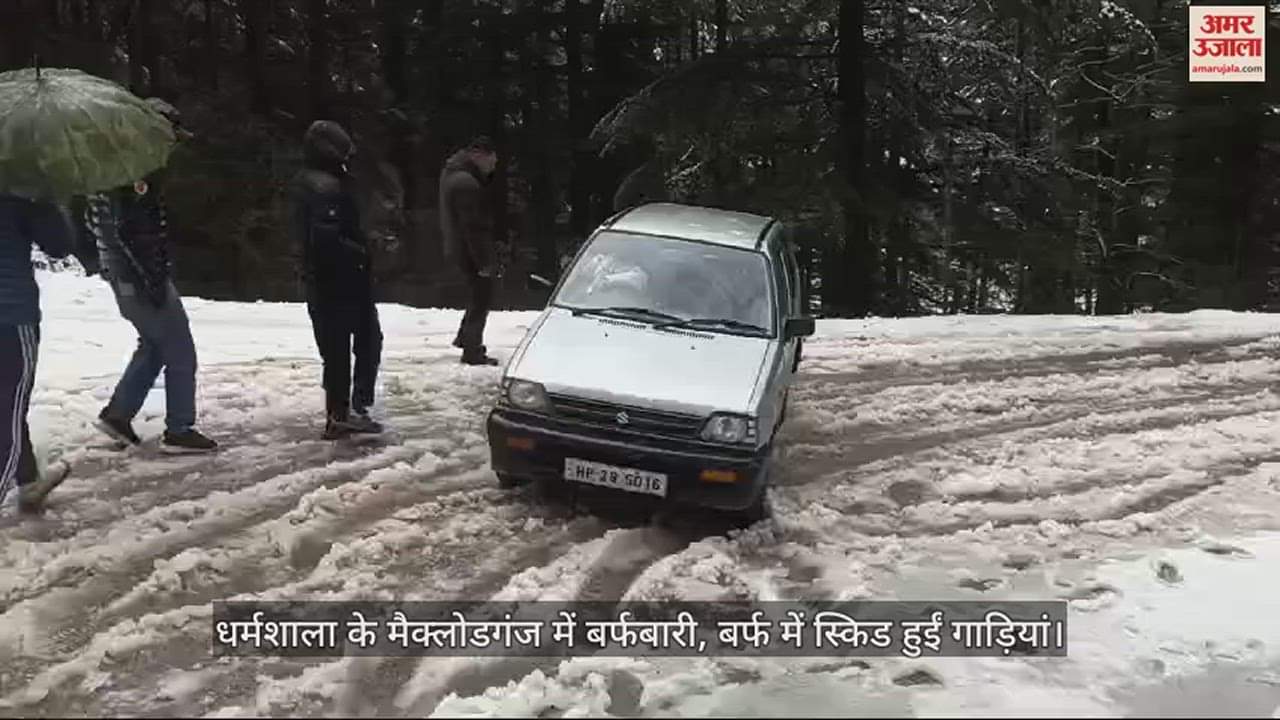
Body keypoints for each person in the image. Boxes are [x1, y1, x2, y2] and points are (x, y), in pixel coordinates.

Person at [87, 99, 218, 453]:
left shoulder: (110, 166)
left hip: (124, 274)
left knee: (155, 346)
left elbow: (104, 226)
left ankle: (118, 415)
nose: (173, 145)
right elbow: (132, 233)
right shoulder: (134, 172)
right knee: (180, 351)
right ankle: (179, 429)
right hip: (139, 276)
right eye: (171, 137)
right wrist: (153, 281)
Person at [290, 120, 383, 439]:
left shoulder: (322, 181)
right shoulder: (323, 186)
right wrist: (362, 251)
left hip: (334, 279)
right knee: (346, 347)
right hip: (337, 280)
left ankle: (349, 408)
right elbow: (325, 238)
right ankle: (344, 412)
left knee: (352, 345)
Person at [0, 193, 75, 512]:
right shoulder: (22, 190)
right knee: (9, 407)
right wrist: (53, 200)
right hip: (10, 316)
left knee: (8, 407)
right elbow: (59, 246)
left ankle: (28, 482)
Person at [439, 136, 500, 366]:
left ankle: (467, 339)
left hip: (459, 246)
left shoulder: (454, 174)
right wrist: (483, 261)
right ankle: (472, 348)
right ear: (479, 155)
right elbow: (472, 227)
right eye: (491, 162)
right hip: (468, 250)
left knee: (478, 295)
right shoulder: (466, 183)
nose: (492, 168)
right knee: (481, 296)